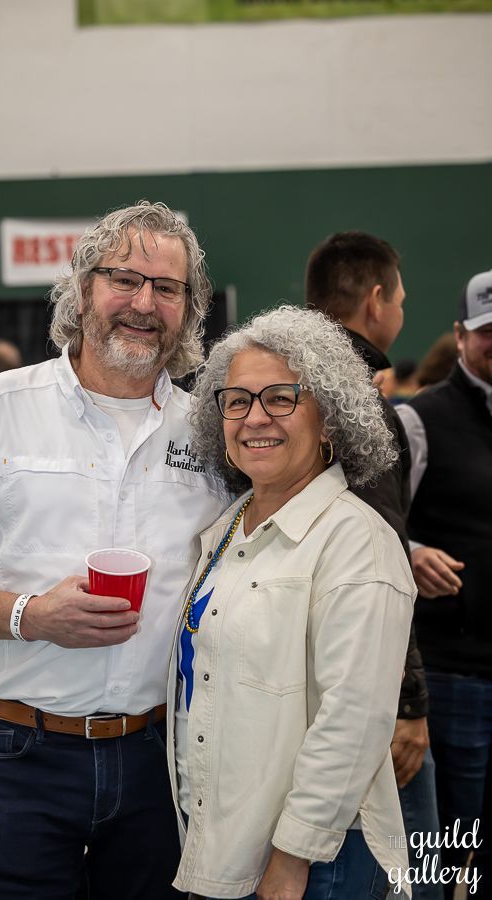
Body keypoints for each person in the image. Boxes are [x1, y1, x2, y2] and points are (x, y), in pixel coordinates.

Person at [0, 200, 227, 900]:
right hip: (23, 755)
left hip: (160, 761)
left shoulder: (210, 431)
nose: (144, 303)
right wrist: (30, 615)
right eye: (124, 280)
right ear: (82, 291)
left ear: (189, 311)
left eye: (167, 289)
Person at [167, 305, 416, 900]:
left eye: (281, 398)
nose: (256, 419)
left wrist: (292, 858)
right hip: (227, 845)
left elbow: (354, 721)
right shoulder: (227, 530)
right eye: (237, 401)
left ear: (329, 418)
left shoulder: (357, 542)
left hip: (319, 862)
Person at [305, 231, 442, 900]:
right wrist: (410, 702)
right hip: (365, 683)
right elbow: (382, 562)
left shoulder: (286, 389)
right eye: (404, 298)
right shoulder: (360, 407)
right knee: (400, 869)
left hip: (301, 672)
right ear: (378, 299)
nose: (403, 312)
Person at [397, 269, 492, 899]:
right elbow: (367, 524)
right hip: (453, 675)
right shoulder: (419, 419)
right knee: (446, 850)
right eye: (488, 333)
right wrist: (411, 551)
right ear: (459, 335)